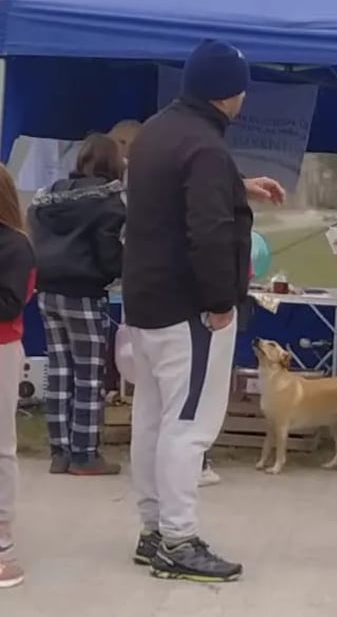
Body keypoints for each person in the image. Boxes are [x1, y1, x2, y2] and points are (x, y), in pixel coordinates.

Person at [123, 39, 284, 583]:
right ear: (231, 93)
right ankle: (179, 538)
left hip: (144, 302)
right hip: (190, 309)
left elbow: (168, 197)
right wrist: (220, 301)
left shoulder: (155, 133)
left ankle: (153, 530)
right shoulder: (208, 148)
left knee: (153, 420)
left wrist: (236, 188)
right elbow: (209, 232)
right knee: (189, 426)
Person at [28, 133, 126, 476]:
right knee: (88, 376)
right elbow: (110, 255)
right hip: (83, 293)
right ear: (113, 164)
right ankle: (85, 454)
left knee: (59, 372)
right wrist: (121, 265)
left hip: (47, 291)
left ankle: (60, 452)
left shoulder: (49, 196)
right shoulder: (109, 202)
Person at [0, 164, 36, 589]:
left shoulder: (15, 246)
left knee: (2, 446)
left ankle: (3, 541)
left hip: (2, 348)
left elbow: (10, 304)